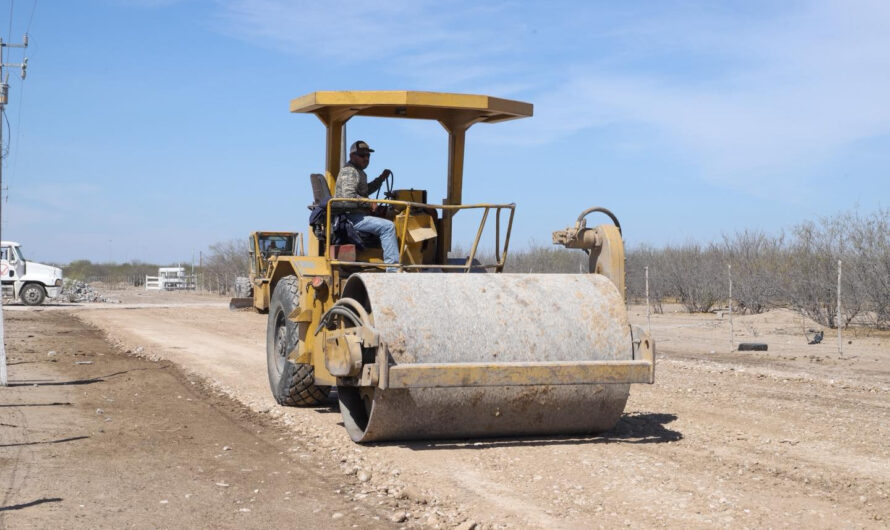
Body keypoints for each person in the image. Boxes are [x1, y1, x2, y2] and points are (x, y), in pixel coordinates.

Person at [334, 140, 398, 271]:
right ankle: (393, 270)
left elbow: (365, 191)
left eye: (368, 156)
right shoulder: (349, 171)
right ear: (352, 156)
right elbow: (348, 196)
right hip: (351, 217)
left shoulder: (358, 172)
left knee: (388, 220)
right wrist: (368, 203)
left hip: (356, 215)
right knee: (388, 227)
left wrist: (380, 178)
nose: (366, 158)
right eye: (362, 155)